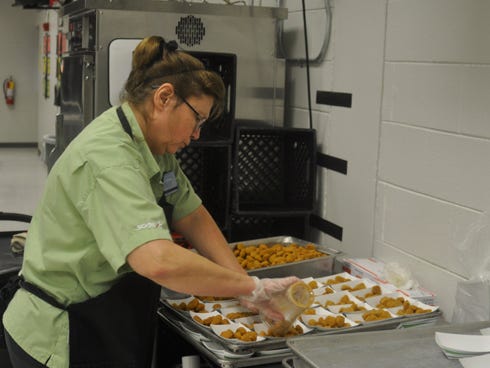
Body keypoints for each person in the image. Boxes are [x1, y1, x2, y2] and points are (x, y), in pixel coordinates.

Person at [2, 36, 299, 368]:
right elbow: (156, 260)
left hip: (102, 321)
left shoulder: (151, 146)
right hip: (61, 336)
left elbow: (193, 215)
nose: (198, 133)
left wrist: (242, 285)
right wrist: (251, 285)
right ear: (164, 98)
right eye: (197, 119)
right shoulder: (110, 158)